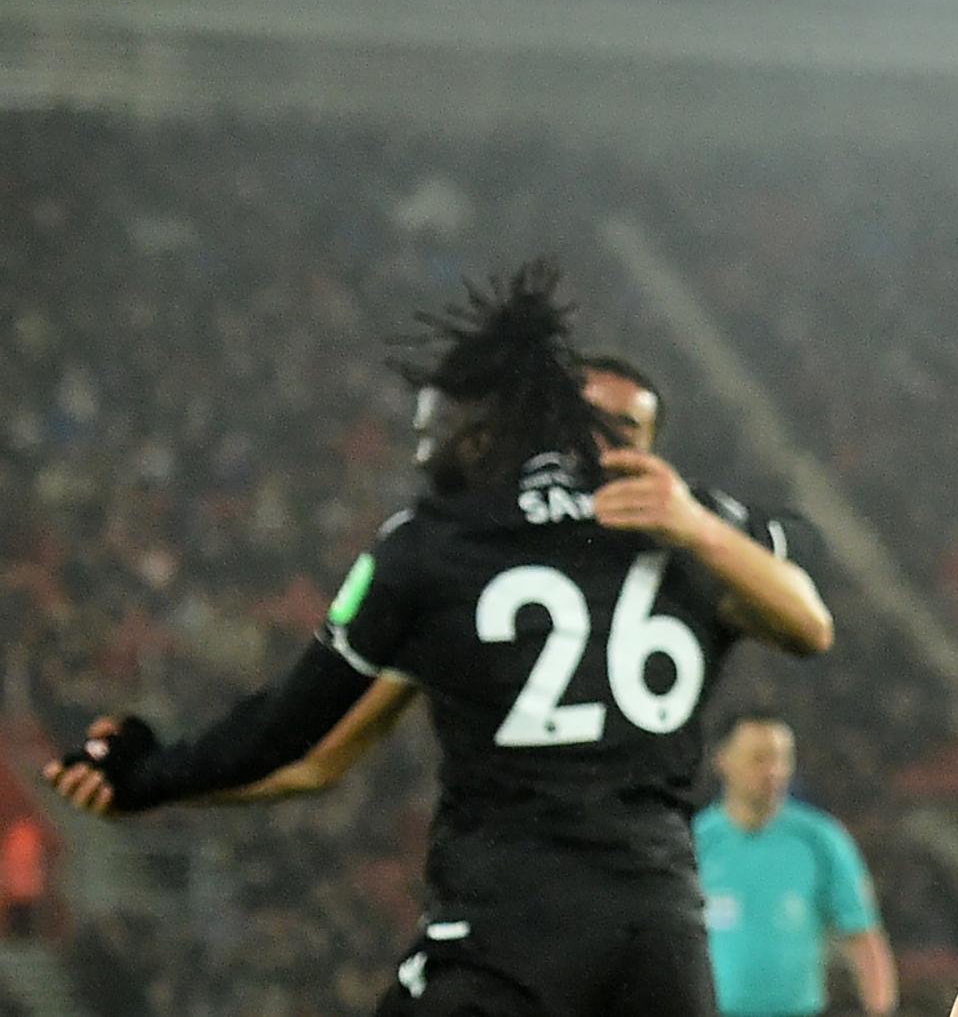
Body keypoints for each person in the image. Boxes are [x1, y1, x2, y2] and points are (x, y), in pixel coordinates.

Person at [45, 265, 835, 1017]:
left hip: (507, 925)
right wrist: (701, 523)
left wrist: (149, 774)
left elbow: (293, 732)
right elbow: (809, 608)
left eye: (440, 430)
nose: (426, 450)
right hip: (656, 930)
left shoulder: (443, 545)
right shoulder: (696, 534)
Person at [204, 354, 681, 804]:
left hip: (633, 872)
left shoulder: (688, 562)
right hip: (506, 873)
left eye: (624, 428)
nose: (599, 442)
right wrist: (149, 786)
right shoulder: (460, 575)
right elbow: (317, 765)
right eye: (585, 419)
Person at [697, 711, 898, 1017]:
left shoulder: (820, 840)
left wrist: (881, 1011)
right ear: (723, 760)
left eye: (781, 758)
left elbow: (863, 936)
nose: (773, 771)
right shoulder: (697, 841)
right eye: (759, 758)